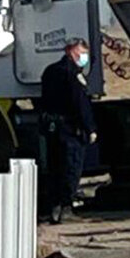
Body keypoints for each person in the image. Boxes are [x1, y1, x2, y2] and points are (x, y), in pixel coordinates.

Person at [41, 38, 97, 224]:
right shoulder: (71, 74)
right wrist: (90, 128)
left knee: (55, 168)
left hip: (53, 127)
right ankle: (66, 209)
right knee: (71, 168)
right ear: (73, 52)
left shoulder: (49, 71)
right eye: (82, 53)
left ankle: (54, 209)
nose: (84, 58)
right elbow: (80, 104)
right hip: (71, 129)